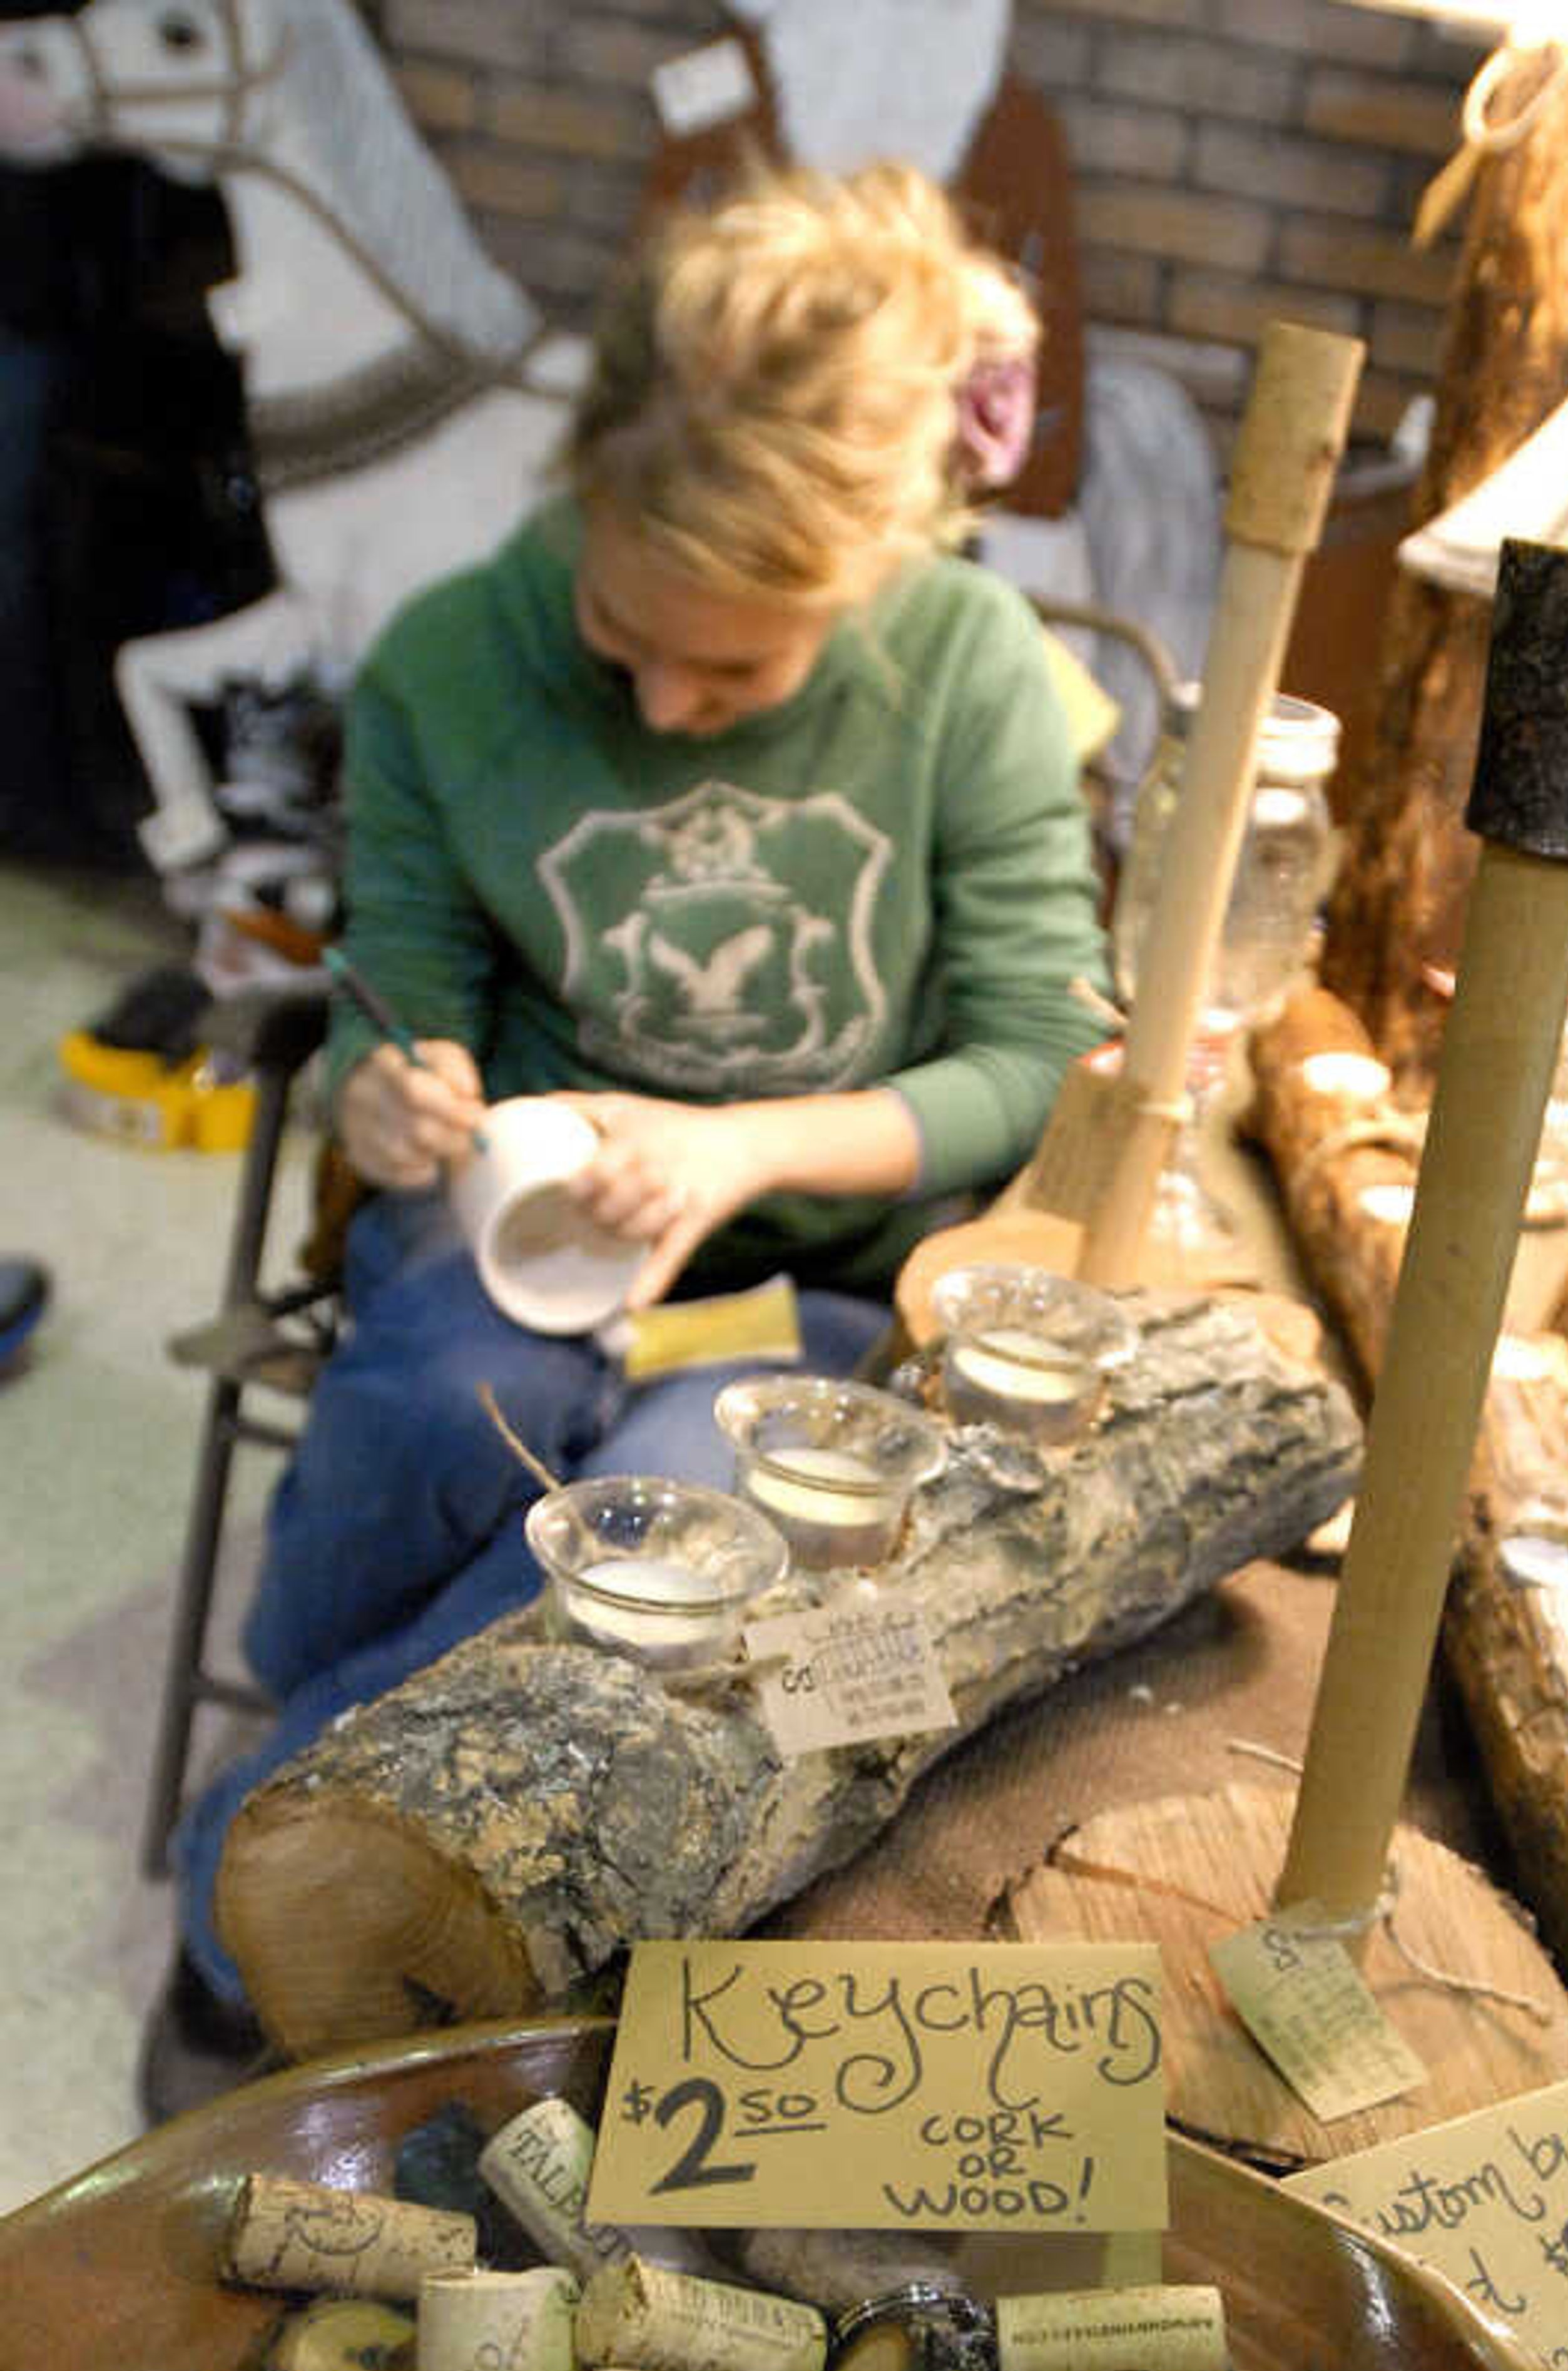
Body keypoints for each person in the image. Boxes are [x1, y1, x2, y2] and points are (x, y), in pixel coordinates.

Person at [145, 160, 1109, 2119]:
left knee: (649, 1553)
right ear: (580, 497)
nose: (666, 701)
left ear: (866, 577)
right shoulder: (450, 656)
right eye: (620, 636)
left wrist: (742, 1147)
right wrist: (390, 1082)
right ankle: (334, 1762)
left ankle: (246, 1880)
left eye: (738, 673)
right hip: (506, 1219)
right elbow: (393, 985)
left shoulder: (971, 678)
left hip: (790, 1288)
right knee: (442, 1403)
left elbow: (1027, 1063)